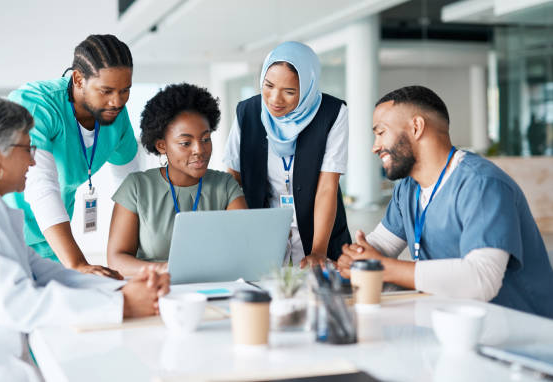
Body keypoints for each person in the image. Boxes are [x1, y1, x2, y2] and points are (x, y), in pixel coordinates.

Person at [0, 97, 170, 381]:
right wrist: (121, 305)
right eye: (26, 148)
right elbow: (15, 303)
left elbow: (44, 273)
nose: (33, 159)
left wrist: (123, 288)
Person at [337, 85, 553, 318]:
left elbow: (481, 279)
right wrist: (356, 257)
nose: (375, 146)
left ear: (417, 127)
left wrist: (379, 266)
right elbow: (381, 245)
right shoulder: (408, 189)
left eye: (381, 132)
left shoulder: (482, 184)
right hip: (457, 324)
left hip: (520, 333)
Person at [4, 34, 140, 279]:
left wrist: (129, 255)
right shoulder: (38, 104)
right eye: (106, 90)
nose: (117, 102)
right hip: (5, 234)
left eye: (125, 90)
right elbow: (39, 184)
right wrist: (77, 263)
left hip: (50, 243)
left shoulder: (116, 115)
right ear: (78, 79)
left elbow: (130, 189)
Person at [224, 41, 351, 269]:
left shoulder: (332, 113)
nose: (275, 99)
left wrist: (318, 252)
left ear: (308, 88)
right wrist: (243, 234)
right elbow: (233, 177)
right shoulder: (248, 112)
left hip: (320, 229)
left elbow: (327, 187)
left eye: (290, 92)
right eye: (268, 85)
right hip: (264, 228)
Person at [107, 83, 247, 276]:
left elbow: (245, 248)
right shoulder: (137, 187)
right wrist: (165, 269)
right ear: (162, 145)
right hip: (155, 289)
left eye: (205, 139)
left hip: (214, 287)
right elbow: (116, 260)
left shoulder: (225, 186)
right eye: (185, 143)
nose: (199, 150)